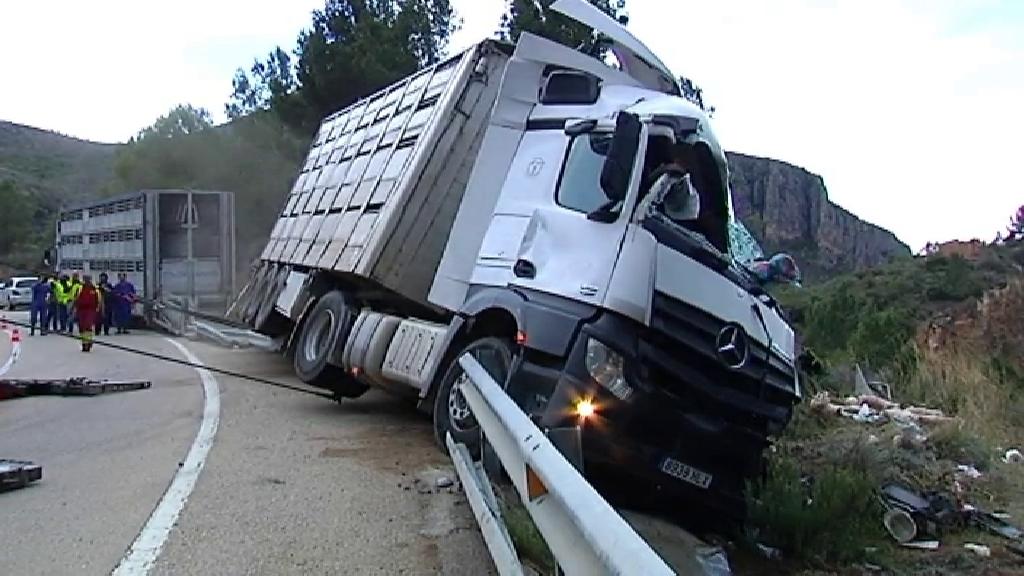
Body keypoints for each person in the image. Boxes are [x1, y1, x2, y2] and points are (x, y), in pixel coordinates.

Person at [74, 275, 102, 352]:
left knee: (87, 326)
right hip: (81, 310)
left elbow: (99, 301)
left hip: (90, 310)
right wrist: (75, 309)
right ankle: (84, 342)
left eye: (88, 279)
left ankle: (87, 344)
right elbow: (76, 298)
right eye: (85, 279)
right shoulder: (80, 288)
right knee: (81, 327)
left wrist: (98, 310)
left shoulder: (95, 289)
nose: (86, 281)